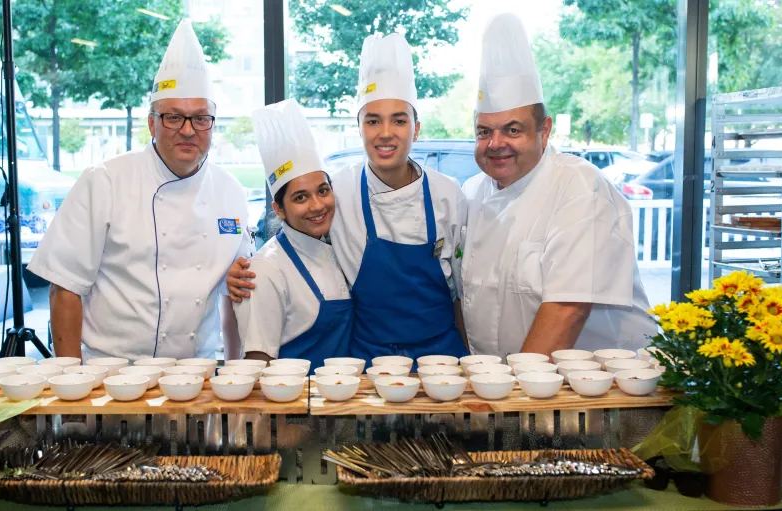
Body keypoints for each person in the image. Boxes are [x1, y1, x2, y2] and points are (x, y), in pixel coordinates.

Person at [228, 33, 468, 363]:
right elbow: (294, 239)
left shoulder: (448, 193)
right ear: (359, 128)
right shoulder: (336, 191)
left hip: (441, 357)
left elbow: (461, 293)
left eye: (399, 120)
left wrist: (469, 360)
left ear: (416, 128)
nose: (385, 133)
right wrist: (243, 273)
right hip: (369, 364)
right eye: (373, 121)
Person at [28, 20, 252, 361]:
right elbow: (64, 288)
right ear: (152, 122)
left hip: (194, 376)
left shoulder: (230, 191)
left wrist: (237, 372)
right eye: (173, 117)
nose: (188, 130)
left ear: (212, 124)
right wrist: (70, 381)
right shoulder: (104, 181)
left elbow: (234, 290)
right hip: (109, 374)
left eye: (200, 118)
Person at [460, 12, 655, 357]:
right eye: (484, 131)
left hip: (599, 390)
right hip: (507, 387)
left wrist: (514, 396)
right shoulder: (472, 193)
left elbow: (568, 309)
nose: (496, 143)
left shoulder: (579, 187)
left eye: (513, 129)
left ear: (544, 130)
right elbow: (464, 299)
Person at [232, 99, 352, 367]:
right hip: (293, 405)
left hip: (340, 400)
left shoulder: (342, 245)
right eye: (300, 198)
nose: (317, 206)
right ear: (280, 209)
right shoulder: (265, 270)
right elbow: (257, 362)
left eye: (323, 190)